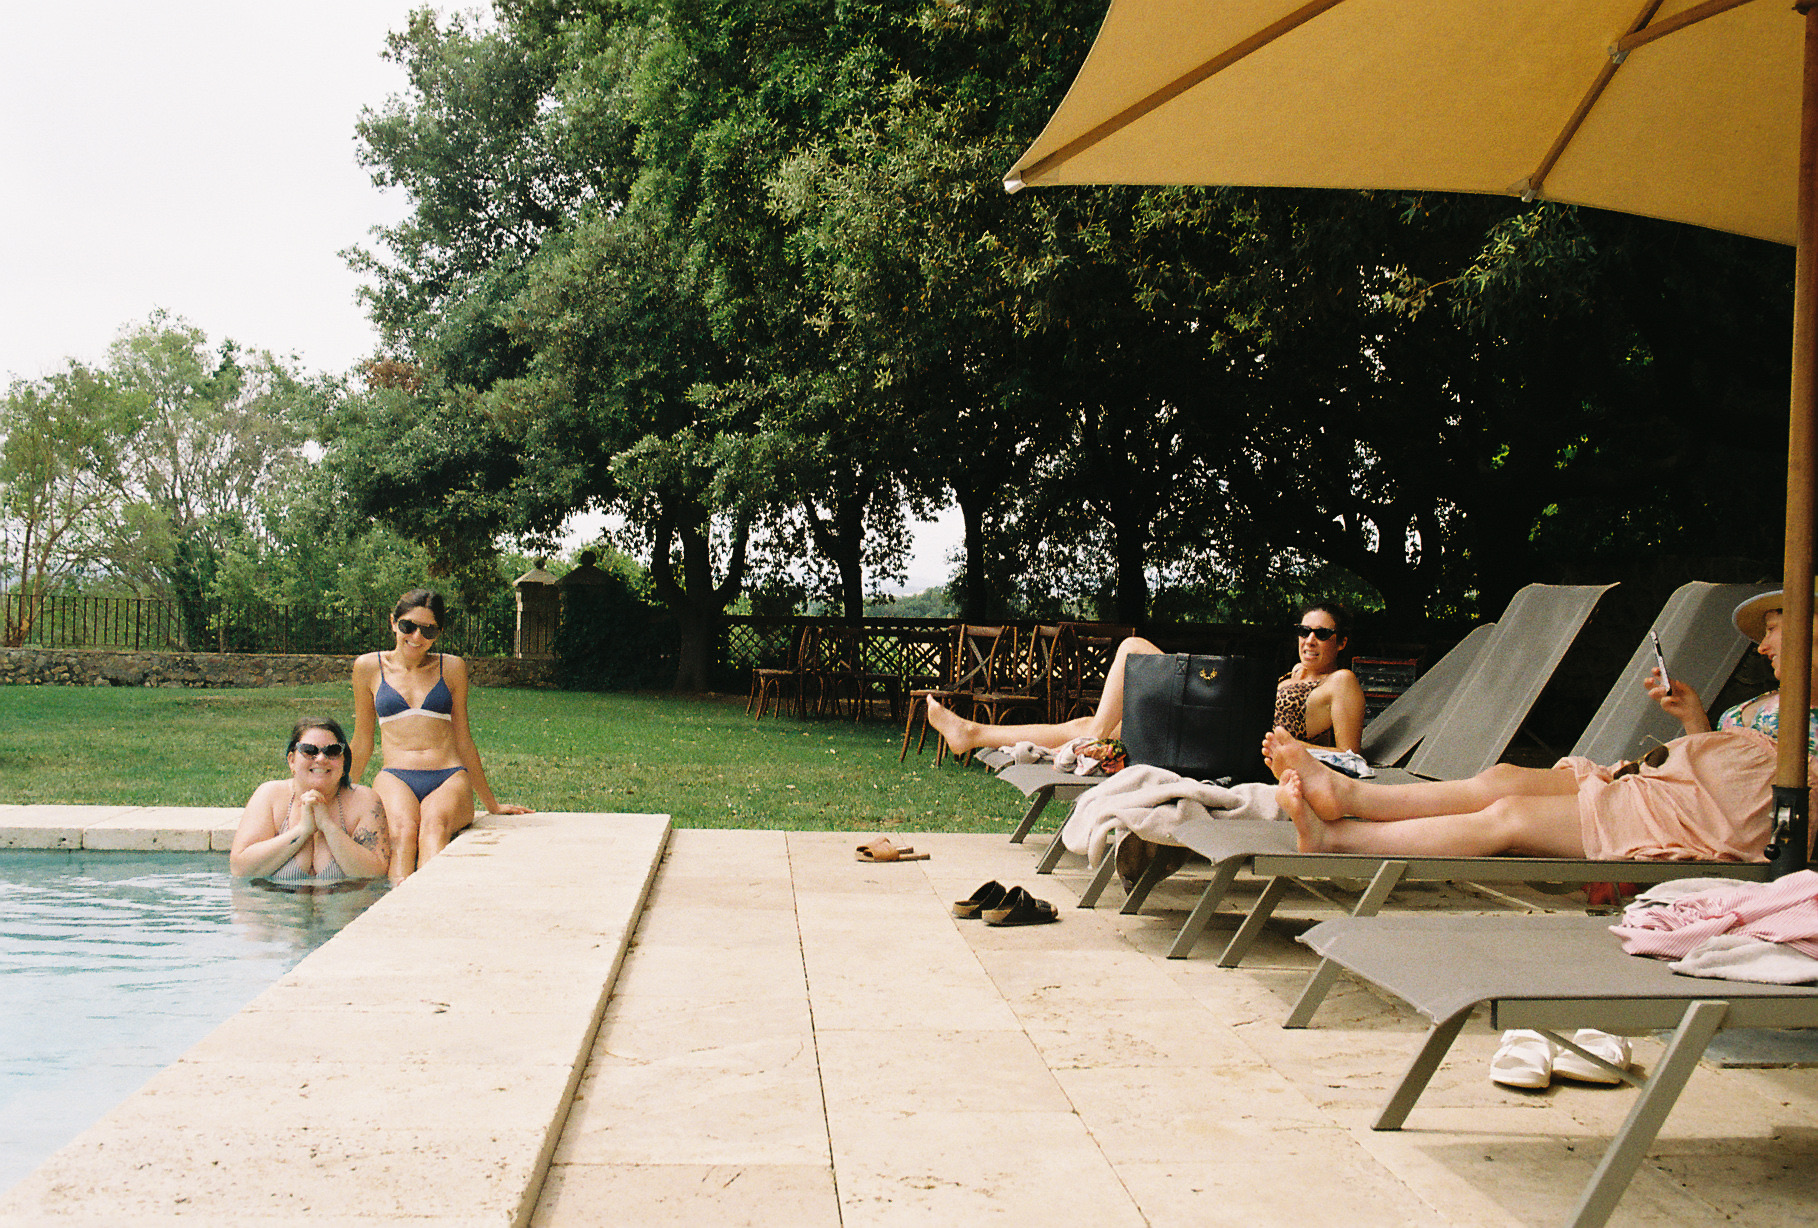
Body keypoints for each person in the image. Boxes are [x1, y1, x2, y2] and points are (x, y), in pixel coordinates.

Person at [1268, 586, 1818, 864]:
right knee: (1503, 777)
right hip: (1662, 786)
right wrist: (1696, 724)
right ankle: (1343, 794)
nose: (1762, 644)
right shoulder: (1759, 704)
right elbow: (1712, 761)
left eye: (1776, 630)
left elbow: (1755, 790)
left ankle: (1340, 840)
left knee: (1511, 817)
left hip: (1712, 817)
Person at [922, 602, 1366, 758]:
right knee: (1092, 725)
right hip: (1217, 724)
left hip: (1231, 739)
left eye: (1321, 634)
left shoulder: (1342, 681)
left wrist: (1274, 742)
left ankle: (1086, 743)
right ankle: (973, 733)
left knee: (1133, 650)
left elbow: (1349, 757)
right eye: (1304, 631)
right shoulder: (1293, 676)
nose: (1309, 639)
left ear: (1341, 642)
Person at [351, 588, 532, 881]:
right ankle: (395, 911)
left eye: (429, 630)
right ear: (393, 623)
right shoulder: (368, 667)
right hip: (396, 776)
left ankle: (427, 908)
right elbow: (361, 742)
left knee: (434, 826)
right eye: (408, 626)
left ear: (439, 632)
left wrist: (492, 804)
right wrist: (343, 797)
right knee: (401, 833)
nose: (417, 637)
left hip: (447, 775)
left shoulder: (452, 668)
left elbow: (464, 740)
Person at [231, 718, 390, 884]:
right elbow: (240, 869)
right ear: (292, 760)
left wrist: (328, 826)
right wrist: (302, 830)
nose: (321, 758)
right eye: (309, 750)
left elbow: (375, 873)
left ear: (344, 762)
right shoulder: (270, 796)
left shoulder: (365, 800)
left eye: (333, 751)